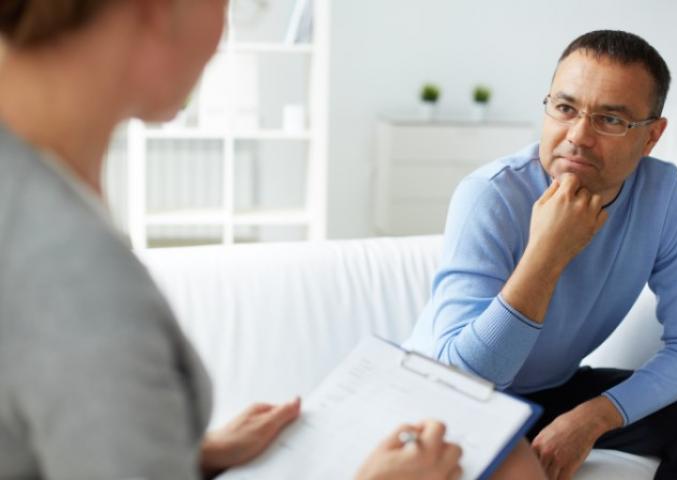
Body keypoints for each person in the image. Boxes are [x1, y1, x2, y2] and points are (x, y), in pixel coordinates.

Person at [0, 1, 546, 478]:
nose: (223, 32)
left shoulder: (34, 195)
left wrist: (195, 453)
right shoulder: (72, 270)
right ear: (158, 9)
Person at [405, 29, 677, 479]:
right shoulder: (490, 196)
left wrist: (596, 416)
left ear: (651, 136)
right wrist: (547, 254)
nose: (578, 136)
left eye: (610, 120)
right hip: (449, 396)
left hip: (553, 391)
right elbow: (465, 378)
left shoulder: (665, 196)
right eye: (565, 108)